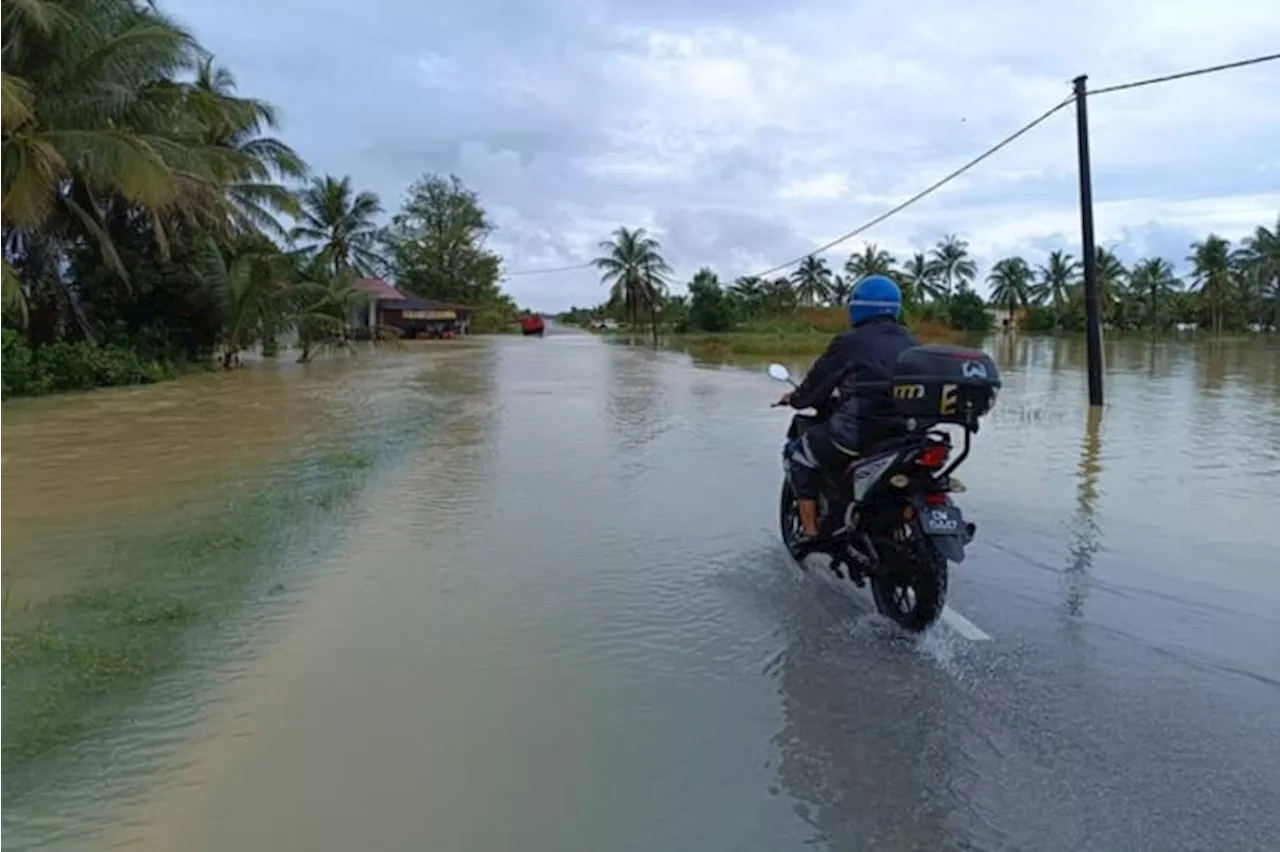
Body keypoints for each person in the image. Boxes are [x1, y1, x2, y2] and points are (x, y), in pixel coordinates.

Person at [776, 274, 917, 549]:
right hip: (906, 435)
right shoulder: (911, 342)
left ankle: (810, 532)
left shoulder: (849, 342)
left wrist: (794, 399)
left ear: (857, 307)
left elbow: (813, 389)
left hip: (859, 434)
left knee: (799, 456)